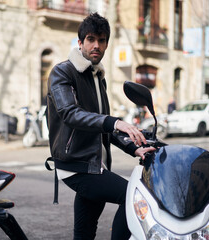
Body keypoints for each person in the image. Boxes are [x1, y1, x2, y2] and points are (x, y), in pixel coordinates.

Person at [46, 13, 156, 240]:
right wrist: (115, 122)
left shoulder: (98, 77)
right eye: (90, 39)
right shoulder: (62, 72)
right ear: (80, 43)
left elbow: (102, 124)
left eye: (102, 40)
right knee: (132, 196)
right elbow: (70, 113)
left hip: (96, 165)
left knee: (84, 233)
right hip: (77, 164)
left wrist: (132, 148)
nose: (96, 45)